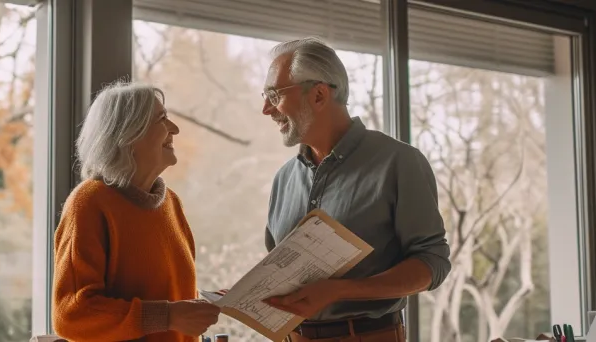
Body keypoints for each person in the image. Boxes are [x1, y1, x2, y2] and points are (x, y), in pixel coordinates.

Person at [257, 37, 452, 342]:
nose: (266, 109)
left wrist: (341, 290)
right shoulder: (284, 179)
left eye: (274, 95)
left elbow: (432, 263)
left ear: (319, 95)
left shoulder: (399, 162)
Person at [51, 81, 221, 341]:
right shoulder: (89, 202)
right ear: (128, 134)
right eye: (162, 119)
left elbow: (172, 300)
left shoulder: (171, 204)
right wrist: (168, 316)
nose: (174, 128)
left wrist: (204, 305)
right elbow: (72, 315)